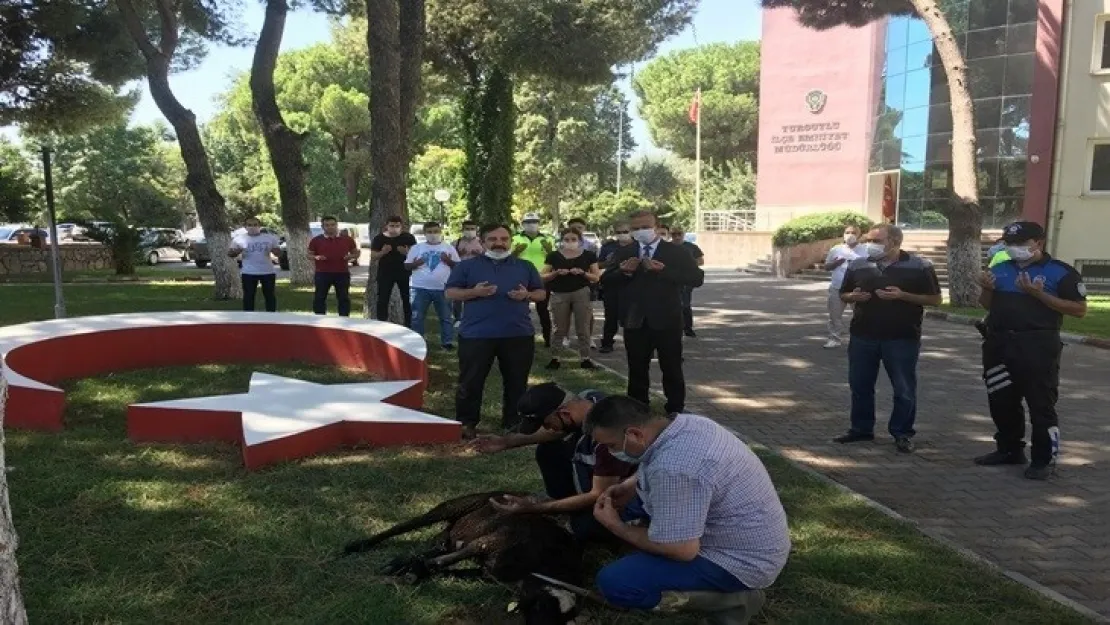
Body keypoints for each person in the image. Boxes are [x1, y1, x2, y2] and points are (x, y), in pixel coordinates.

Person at [585, 396, 790, 618]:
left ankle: (734, 601)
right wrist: (630, 484)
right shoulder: (686, 424)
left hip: (741, 562)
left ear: (634, 434)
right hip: (756, 538)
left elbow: (681, 550)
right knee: (637, 511)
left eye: (611, 445)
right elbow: (657, 457)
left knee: (616, 583)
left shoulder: (674, 469)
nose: (609, 452)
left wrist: (615, 526)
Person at [974, 221, 1088, 480]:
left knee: (1040, 404)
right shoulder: (1000, 268)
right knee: (1001, 399)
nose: (1014, 248)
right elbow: (986, 305)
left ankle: (1043, 459)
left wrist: (1040, 296)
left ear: (1038, 242)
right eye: (1009, 243)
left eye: (1020, 243)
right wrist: (986, 288)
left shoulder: (1060, 272)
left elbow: (1079, 310)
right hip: (999, 343)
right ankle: (1009, 449)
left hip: (1037, 345)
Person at [470, 383, 637, 542]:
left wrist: (536, 508)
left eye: (546, 423)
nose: (547, 428)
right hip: (600, 481)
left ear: (563, 412)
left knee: (584, 528)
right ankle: (563, 502)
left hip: (624, 495)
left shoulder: (606, 438)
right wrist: (505, 442)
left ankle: (628, 523)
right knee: (548, 450)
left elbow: (598, 494)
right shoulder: (585, 400)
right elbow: (554, 433)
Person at [835, 224, 942, 453]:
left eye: (877, 240)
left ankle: (902, 432)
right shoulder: (858, 264)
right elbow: (843, 293)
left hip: (901, 337)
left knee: (903, 388)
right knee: (860, 385)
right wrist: (852, 296)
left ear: (894, 242)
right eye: (869, 240)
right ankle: (861, 429)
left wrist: (903, 295)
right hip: (863, 335)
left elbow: (935, 300)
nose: (870, 245)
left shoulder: (919, 266)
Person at [446, 224, 547, 439]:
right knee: (470, 381)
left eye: (504, 239)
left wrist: (527, 295)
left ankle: (514, 421)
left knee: (517, 381)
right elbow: (450, 292)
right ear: (482, 242)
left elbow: (541, 294)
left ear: (511, 241)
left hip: (517, 334)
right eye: (492, 239)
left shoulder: (525, 266)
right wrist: (474, 292)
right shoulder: (467, 266)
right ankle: (467, 422)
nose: (499, 243)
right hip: (476, 334)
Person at [604, 210, 704, 414]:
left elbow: (696, 278)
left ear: (657, 227)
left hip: (667, 319)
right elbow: (605, 281)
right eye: (637, 228)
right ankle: (638, 409)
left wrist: (664, 271)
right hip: (635, 320)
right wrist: (624, 272)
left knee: (672, 367)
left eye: (646, 227)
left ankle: (675, 408)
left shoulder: (675, 252)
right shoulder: (625, 252)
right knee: (637, 368)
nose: (642, 231)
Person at [541, 229, 601, 370]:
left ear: (579, 240)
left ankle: (585, 358)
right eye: (567, 239)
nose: (570, 242)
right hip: (559, 293)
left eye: (573, 239)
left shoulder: (589, 255)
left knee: (583, 327)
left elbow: (596, 277)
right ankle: (555, 358)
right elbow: (543, 275)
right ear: (561, 240)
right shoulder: (554, 256)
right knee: (559, 327)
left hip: (581, 292)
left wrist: (583, 273)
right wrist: (556, 272)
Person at [405, 221, 461, 351]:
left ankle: (447, 342)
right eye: (429, 232)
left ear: (440, 232)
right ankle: (417, 342)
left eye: (435, 231)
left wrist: (448, 261)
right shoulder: (417, 248)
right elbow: (406, 265)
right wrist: (417, 263)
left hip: (442, 288)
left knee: (446, 317)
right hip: (419, 288)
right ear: (424, 233)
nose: (433, 234)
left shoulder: (448, 248)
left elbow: (458, 266)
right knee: (417, 317)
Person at [511, 213, 555, 348]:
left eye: (534, 221)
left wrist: (549, 251)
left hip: (541, 277)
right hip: (520, 276)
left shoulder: (548, 239)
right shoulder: (515, 238)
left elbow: (555, 259)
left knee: (543, 309)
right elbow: (507, 259)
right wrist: (516, 252)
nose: (531, 224)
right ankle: (518, 336)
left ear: (539, 223)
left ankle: (547, 339)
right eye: (528, 222)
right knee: (519, 308)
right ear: (523, 224)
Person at [370, 215, 418, 326]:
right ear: (386, 226)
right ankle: (381, 324)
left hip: (404, 272)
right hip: (385, 273)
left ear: (401, 226)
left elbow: (416, 256)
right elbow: (373, 256)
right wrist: (383, 252)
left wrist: (406, 253)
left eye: (397, 226)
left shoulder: (408, 237)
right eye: (392, 226)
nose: (394, 228)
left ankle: (408, 324)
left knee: (406, 298)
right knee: (383, 299)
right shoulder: (379, 238)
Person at [308, 216, 360, 316]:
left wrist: (351, 257)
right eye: (327, 225)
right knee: (319, 297)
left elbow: (356, 253)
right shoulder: (316, 240)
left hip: (342, 273)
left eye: (332, 225)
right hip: (322, 273)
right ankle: (319, 319)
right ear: (322, 227)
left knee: (343, 297)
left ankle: (344, 319)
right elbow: (309, 255)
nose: (330, 227)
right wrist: (316, 257)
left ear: (336, 225)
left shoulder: (347, 239)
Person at [229, 216, 281, 312]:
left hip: (267, 272)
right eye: (249, 225)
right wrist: (237, 251)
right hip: (248, 272)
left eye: (255, 225)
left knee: (270, 295)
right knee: (248, 296)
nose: (252, 227)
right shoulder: (239, 239)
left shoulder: (270, 238)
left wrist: (275, 250)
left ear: (259, 226)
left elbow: (278, 252)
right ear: (245, 227)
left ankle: (271, 317)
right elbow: (230, 253)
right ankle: (248, 318)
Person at [823, 225, 863, 348]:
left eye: (853, 232)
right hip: (837, 287)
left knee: (861, 316)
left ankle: (859, 339)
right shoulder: (836, 249)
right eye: (847, 232)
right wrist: (836, 263)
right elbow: (826, 266)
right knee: (834, 316)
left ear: (859, 235)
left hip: (857, 289)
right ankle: (834, 338)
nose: (850, 235)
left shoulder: (865, 250)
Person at [598, 224, 635, 354]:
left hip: (632, 286)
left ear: (631, 231)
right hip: (612, 284)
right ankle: (607, 343)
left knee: (631, 317)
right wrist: (610, 263)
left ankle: (635, 344)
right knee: (611, 317)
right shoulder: (609, 247)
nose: (622, 234)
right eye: (618, 232)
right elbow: (599, 264)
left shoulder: (638, 246)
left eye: (625, 231)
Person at [668, 225, 705, 338]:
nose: (677, 237)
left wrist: (689, 264)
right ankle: (672, 327)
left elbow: (701, 261)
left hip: (686, 280)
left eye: (679, 234)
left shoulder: (691, 247)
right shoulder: (667, 247)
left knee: (685, 304)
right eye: (674, 234)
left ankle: (688, 328)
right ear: (670, 235)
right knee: (671, 305)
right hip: (671, 279)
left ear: (683, 234)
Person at [451, 220, 485, 324]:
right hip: (460, 272)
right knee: (458, 296)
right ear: (462, 230)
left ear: (476, 230)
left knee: (477, 294)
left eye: (472, 229)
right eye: (467, 229)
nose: (470, 231)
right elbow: (450, 258)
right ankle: (458, 318)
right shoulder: (456, 243)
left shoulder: (482, 243)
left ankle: (476, 317)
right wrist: (458, 253)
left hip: (477, 272)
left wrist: (479, 255)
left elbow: (489, 257)